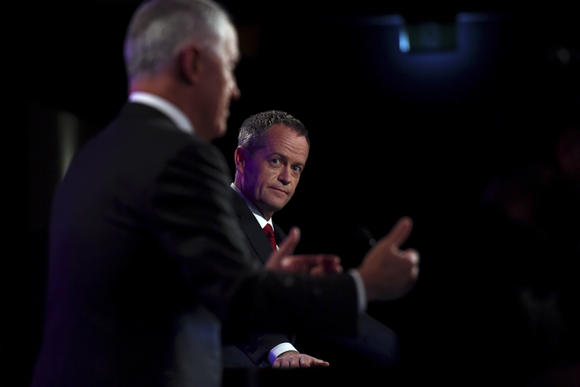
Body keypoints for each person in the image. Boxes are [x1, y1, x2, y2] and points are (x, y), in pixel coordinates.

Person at [30, 1, 419, 387]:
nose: (234, 90)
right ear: (193, 63)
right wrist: (363, 284)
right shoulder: (180, 156)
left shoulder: (93, 155)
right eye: (230, 68)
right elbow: (235, 301)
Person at [223, 110, 400, 369]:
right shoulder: (213, 214)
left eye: (296, 168)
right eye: (275, 161)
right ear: (241, 159)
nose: (287, 178)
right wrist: (281, 351)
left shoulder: (280, 239)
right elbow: (228, 295)